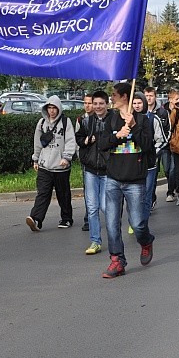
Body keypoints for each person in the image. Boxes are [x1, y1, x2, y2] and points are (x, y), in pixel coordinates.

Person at [100, 82, 155, 278]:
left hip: (135, 180)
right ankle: (117, 261)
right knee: (112, 222)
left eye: (114, 95)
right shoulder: (111, 119)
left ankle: (146, 241)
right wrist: (118, 136)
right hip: (113, 179)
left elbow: (148, 146)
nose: (111, 98)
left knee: (138, 223)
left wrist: (133, 128)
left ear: (125, 96)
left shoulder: (142, 120)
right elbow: (102, 144)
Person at [26, 95, 77, 232]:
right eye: (49, 107)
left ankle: (66, 218)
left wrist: (66, 157)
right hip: (45, 166)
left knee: (63, 194)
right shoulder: (41, 123)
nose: (52, 111)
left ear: (59, 108)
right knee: (43, 193)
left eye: (54, 108)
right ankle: (36, 219)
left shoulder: (66, 122)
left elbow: (71, 141)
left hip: (61, 166)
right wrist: (35, 159)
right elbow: (37, 143)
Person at [75, 91, 111, 254]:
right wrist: (87, 141)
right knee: (91, 207)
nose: (97, 107)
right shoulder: (86, 121)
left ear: (107, 104)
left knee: (105, 206)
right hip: (90, 168)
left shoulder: (114, 120)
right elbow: (79, 139)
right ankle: (95, 241)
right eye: (94, 103)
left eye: (100, 104)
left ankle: (113, 236)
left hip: (107, 170)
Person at [133, 93, 167, 230]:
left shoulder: (153, 119)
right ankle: (134, 220)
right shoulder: (127, 119)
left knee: (146, 195)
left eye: (139, 103)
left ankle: (143, 223)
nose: (136, 106)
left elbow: (162, 140)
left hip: (149, 164)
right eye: (134, 103)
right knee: (134, 195)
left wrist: (153, 152)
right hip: (132, 164)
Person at [78, 93, 94, 232]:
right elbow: (77, 139)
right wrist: (85, 141)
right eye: (85, 103)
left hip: (101, 159)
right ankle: (88, 218)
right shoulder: (81, 120)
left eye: (90, 103)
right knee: (88, 189)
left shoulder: (102, 118)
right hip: (86, 159)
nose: (87, 106)